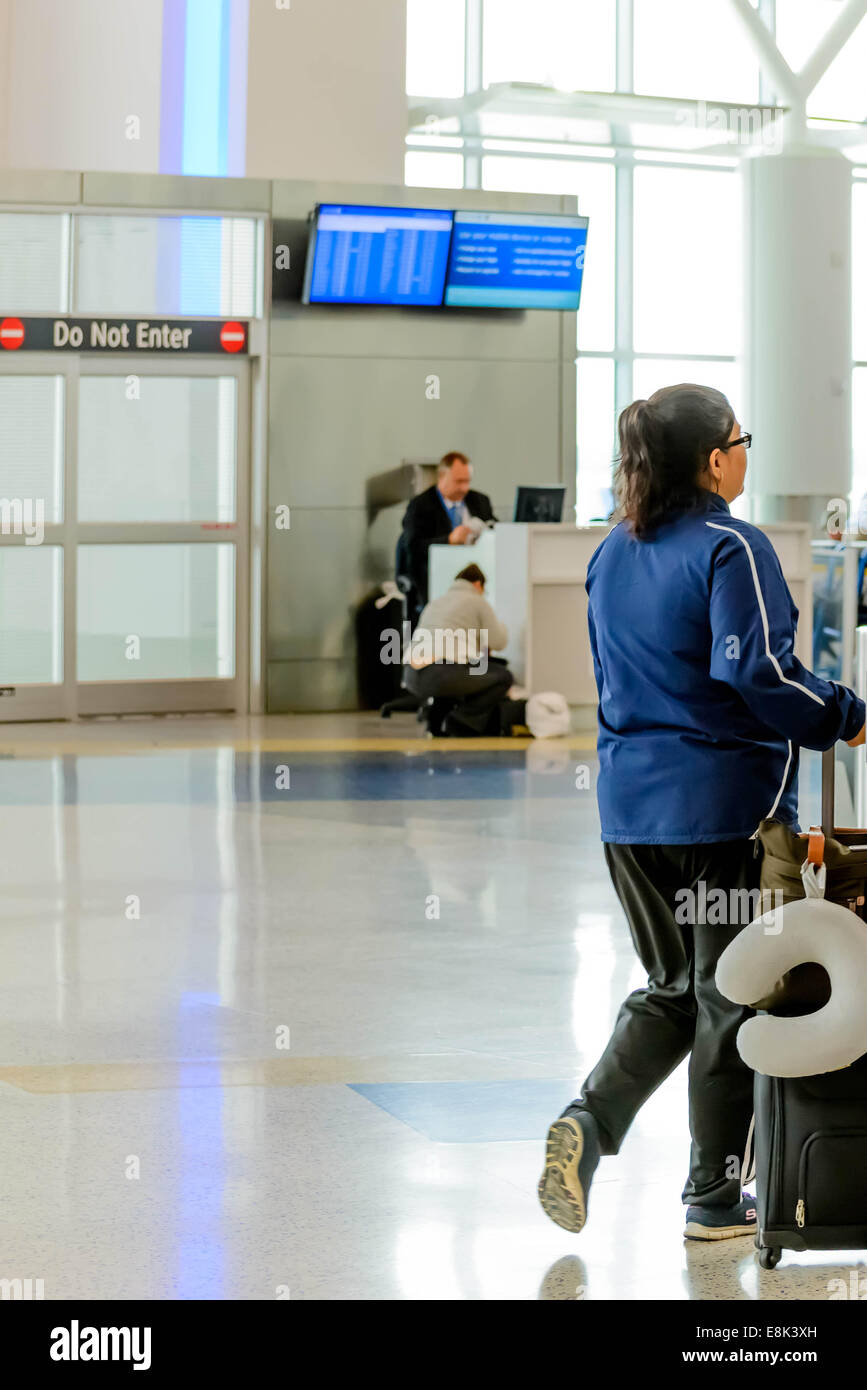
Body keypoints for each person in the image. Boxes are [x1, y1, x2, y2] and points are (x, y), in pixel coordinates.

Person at [537, 383, 867, 1242]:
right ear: (715, 459)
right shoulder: (732, 545)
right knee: (726, 997)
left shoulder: (613, 549)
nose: (745, 451)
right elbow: (758, 673)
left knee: (673, 988)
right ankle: (714, 1200)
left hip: (628, 815)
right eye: (740, 439)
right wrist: (845, 713)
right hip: (724, 813)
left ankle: (587, 1122)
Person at [403, 563, 514, 736]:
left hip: (411, 675)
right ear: (478, 584)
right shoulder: (477, 601)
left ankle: (436, 721)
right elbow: (498, 642)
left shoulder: (436, 602)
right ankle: (462, 720)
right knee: (503, 676)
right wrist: (504, 628)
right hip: (440, 674)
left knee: (456, 671)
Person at [399, 452, 494, 621]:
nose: (464, 488)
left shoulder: (480, 501)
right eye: (459, 482)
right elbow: (413, 547)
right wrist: (449, 540)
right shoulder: (420, 506)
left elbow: (495, 530)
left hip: (478, 575)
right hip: (437, 578)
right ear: (442, 478)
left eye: (467, 481)